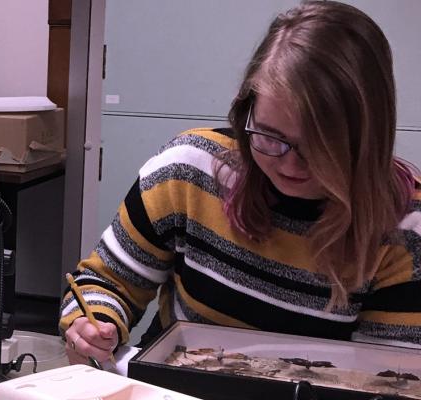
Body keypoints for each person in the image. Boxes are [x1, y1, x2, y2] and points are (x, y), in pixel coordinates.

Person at [60, 0, 421, 367]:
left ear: (367, 139)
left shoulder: (405, 228)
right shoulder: (189, 168)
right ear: (245, 111)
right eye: (270, 135)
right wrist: (94, 324)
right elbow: (105, 282)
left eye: (320, 147)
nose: (291, 164)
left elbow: (387, 378)